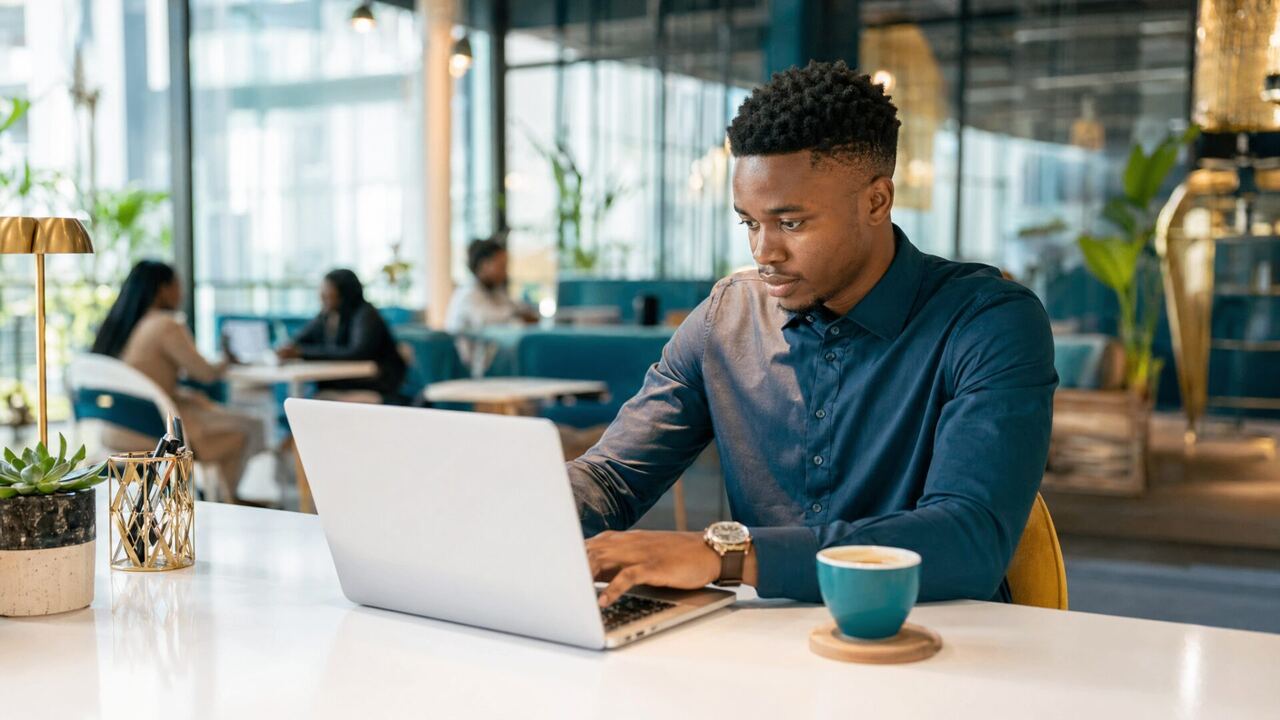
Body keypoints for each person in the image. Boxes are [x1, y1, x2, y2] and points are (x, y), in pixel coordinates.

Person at [572, 61, 1058, 608]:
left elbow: (967, 541)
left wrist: (726, 554)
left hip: (940, 647)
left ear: (877, 201)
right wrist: (509, 513)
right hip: (767, 652)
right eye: (749, 222)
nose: (763, 252)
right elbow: (612, 479)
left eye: (792, 223)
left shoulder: (987, 321)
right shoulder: (723, 320)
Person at [92, 260, 266, 503]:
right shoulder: (166, 325)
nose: (181, 292)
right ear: (163, 289)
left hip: (115, 428)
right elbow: (203, 372)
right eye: (177, 285)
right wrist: (227, 361)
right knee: (250, 428)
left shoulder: (123, 325)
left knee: (224, 418)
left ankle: (222, 496)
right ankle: (228, 499)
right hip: (154, 431)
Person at [277, 269, 407, 403]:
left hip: (373, 385)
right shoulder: (328, 315)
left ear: (344, 292)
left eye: (328, 289)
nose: (322, 295)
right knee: (312, 400)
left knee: (318, 401)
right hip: (341, 385)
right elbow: (299, 340)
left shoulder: (365, 315)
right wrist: (290, 349)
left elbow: (356, 353)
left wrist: (302, 352)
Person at [445, 237, 538, 372]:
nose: (505, 272)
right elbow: (488, 318)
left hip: (487, 361)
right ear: (484, 265)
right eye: (501, 266)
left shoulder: (493, 291)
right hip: (469, 368)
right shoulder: (468, 294)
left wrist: (524, 312)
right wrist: (518, 315)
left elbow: (514, 306)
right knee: (525, 356)